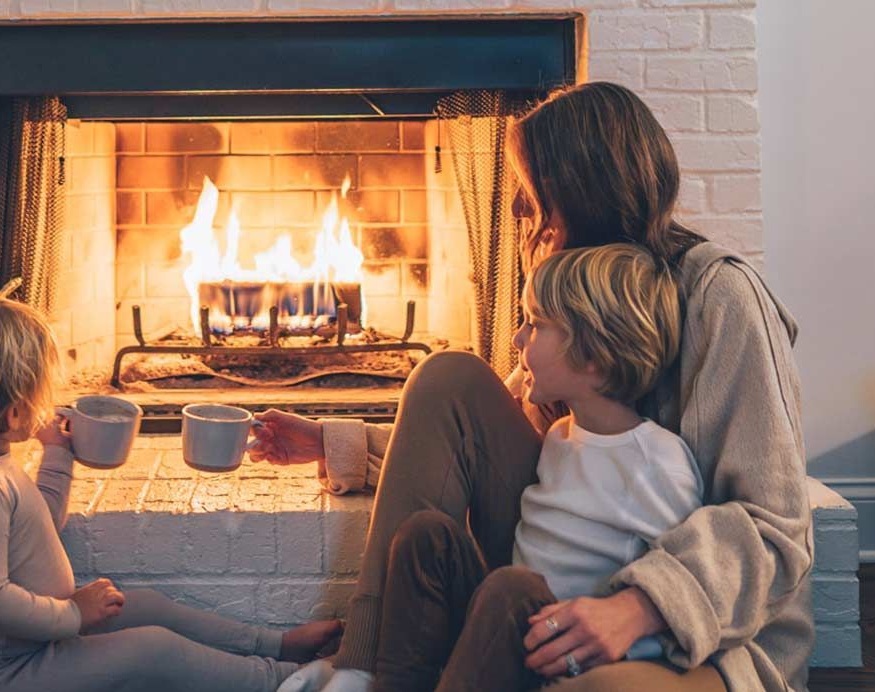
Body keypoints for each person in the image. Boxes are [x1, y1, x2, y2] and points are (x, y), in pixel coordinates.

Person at [252, 81, 811, 692]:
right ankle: (359, 670)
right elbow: (531, 453)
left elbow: (775, 528)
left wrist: (642, 605)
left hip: (687, 638)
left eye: (532, 189)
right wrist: (339, 445)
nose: (520, 210)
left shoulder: (721, 298)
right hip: (550, 586)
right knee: (450, 375)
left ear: (585, 190)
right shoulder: (572, 295)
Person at [0, 295, 341, 692]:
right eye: (38, 394)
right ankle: (282, 681)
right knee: (152, 648)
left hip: (37, 640)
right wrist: (75, 614)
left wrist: (57, 454)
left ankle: (276, 645)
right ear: (12, 412)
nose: (47, 403)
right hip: (9, 674)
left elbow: (37, 519)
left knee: (148, 607)